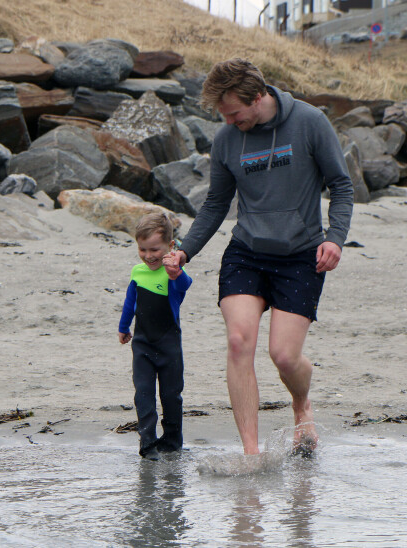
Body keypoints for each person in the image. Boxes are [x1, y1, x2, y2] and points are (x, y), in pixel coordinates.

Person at [164, 58, 354, 456]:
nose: (229, 121)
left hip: (301, 254)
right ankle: (251, 454)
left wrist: (335, 238)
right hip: (246, 252)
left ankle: (301, 403)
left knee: (284, 356)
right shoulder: (227, 139)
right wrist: (184, 251)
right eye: (223, 115)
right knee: (238, 341)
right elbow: (216, 203)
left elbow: (341, 184)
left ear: (257, 97)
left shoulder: (309, 122)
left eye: (233, 113)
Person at [118, 212, 193, 460]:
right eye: (142, 249)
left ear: (170, 246)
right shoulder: (138, 272)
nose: (149, 256)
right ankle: (148, 443)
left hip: (169, 345)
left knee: (171, 395)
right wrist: (123, 327)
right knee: (143, 393)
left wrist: (176, 271)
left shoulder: (173, 273)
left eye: (155, 249)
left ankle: (172, 442)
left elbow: (185, 286)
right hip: (142, 345)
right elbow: (130, 302)